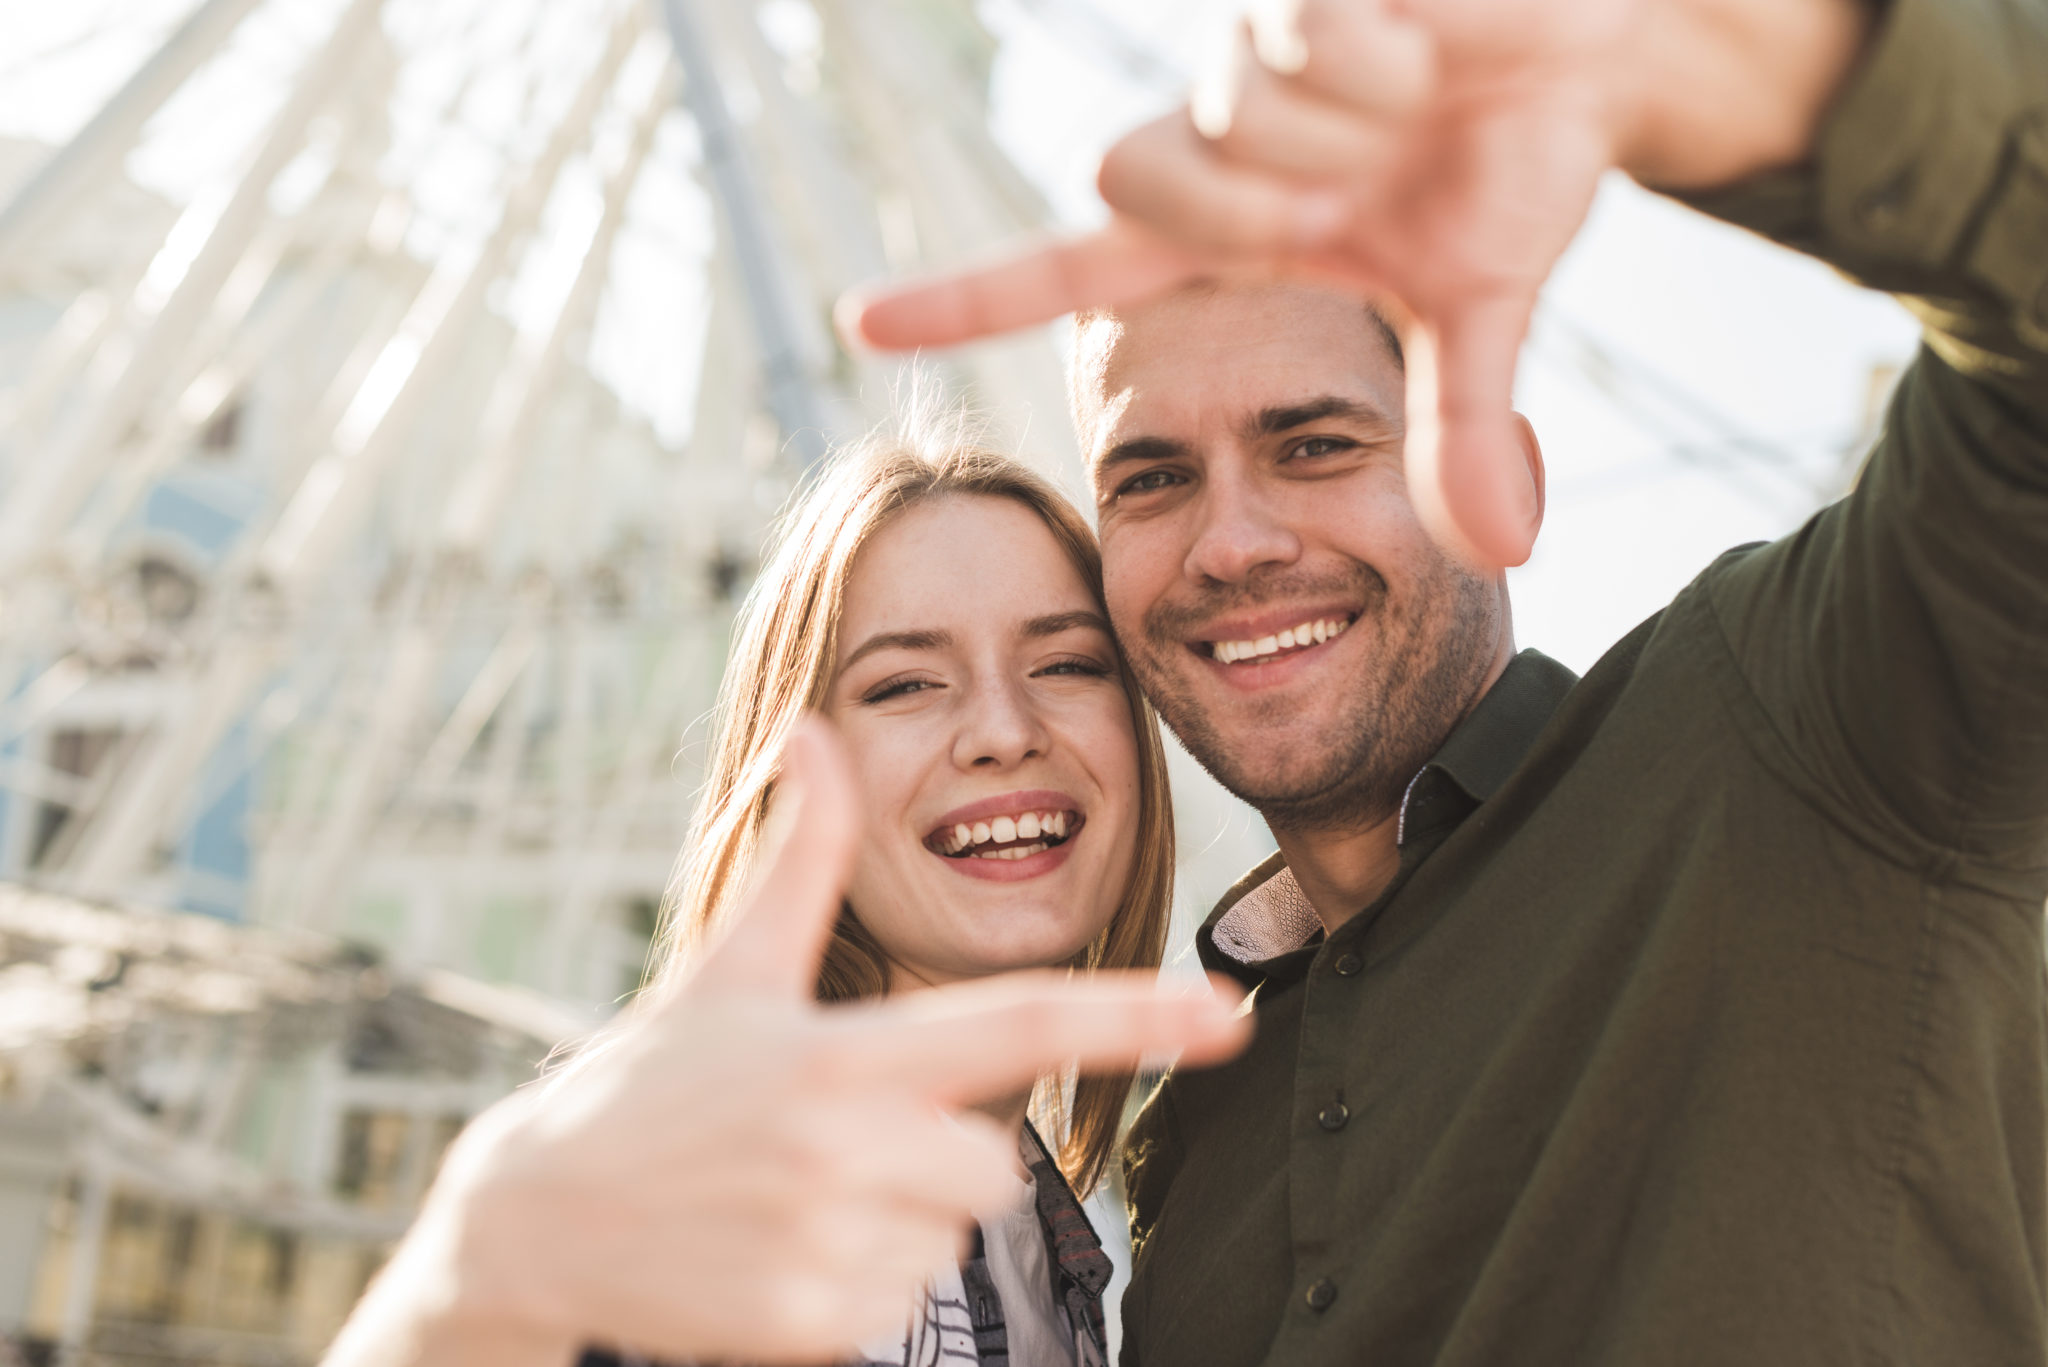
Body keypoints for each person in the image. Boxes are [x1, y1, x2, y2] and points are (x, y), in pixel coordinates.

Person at [843, 0, 2048, 1362]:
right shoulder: (1196, 1143)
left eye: (1314, 445)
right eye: (1154, 477)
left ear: (1506, 476)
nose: (1231, 542)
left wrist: (1776, 75)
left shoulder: (1800, 733)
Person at [322, 423, 1249, 1367]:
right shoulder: (690, 1195)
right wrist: (465, 1304)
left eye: (1067, 665)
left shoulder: (1061, 1257)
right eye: (905, 684)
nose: (1004, 730)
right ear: (793, 766)